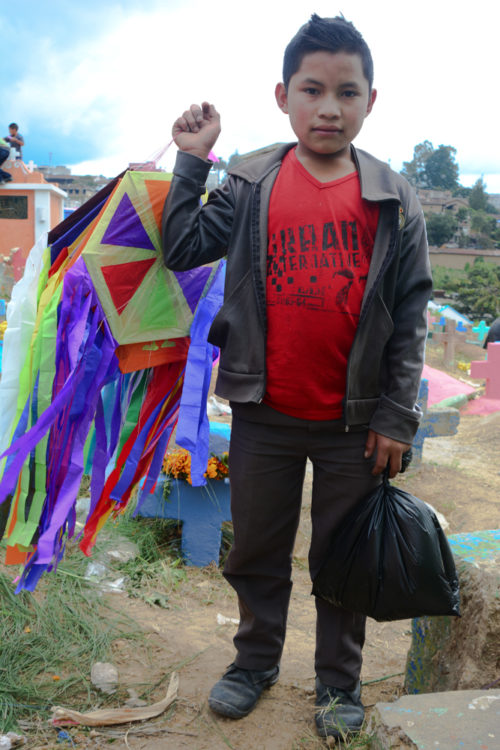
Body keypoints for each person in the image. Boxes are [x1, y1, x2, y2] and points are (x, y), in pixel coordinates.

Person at [162, 14, 432, 741]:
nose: (329, 107)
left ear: (371, 100)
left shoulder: (394, 198)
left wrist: (396, 419)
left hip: (356, 421)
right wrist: (194, 159)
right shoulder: (250, 179)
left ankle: (338, 683)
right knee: (256, 546)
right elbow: (184, 245)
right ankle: (254, 664)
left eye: (347, 92)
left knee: (343, 555)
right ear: (284, 96)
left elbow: (409, 317)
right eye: (312, 89)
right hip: (264, 409)